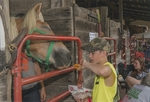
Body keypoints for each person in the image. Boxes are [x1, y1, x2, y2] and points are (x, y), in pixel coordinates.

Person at [74, 37, 118, 102]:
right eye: (89, 53)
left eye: (93, 53)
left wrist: (86, 64)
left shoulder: (108, 68)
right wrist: (88, 100)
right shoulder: (98, 71)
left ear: (104, 53)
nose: (89, 56)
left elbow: (103, 71)